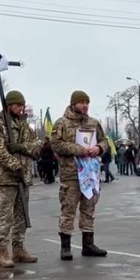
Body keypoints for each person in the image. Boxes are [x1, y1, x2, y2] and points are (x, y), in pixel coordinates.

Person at [51, 90, 109, 261]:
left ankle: (88, 244)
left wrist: (98, 148)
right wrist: (79, 149)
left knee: (89, 209)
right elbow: (56, 144)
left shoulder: (93, 123)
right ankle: (66, 246)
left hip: (90, 173)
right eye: (82, 102)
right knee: (68, 210)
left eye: (87, 102)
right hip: (71, 173)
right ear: (73, 104)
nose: (85, 106)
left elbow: (104, 140)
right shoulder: (62, 123)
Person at [0, 90, 41, 268]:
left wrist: (20, 148)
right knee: (5, 215)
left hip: (23, 176)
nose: (21, 108)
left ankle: (18, 248)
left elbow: (36, 145)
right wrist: (15, 165)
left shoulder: (24, 124)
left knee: (21, 215)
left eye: (23, 105)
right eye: (18, 105)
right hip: (7, 178)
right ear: (10, 105)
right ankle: (2, 251)